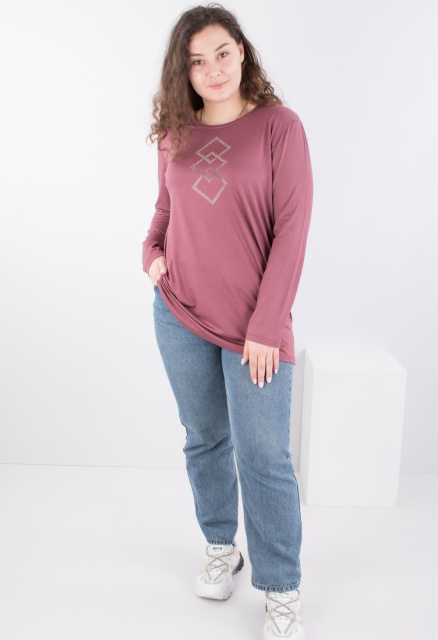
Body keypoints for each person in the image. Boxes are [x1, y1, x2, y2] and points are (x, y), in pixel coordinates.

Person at [142, 3, 313, 639]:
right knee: (204, 438)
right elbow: (164, 211)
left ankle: (282, 586)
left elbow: (292, 231)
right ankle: (222, 546)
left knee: (265, 456)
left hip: (254, 332)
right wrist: (149, 254)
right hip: (179, 314)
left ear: (241, 51)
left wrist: (266, 327)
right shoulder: (175, 132)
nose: (212, 70)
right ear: (183, 72)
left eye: (221, 53)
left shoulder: (279, 127)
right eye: (197, 61)